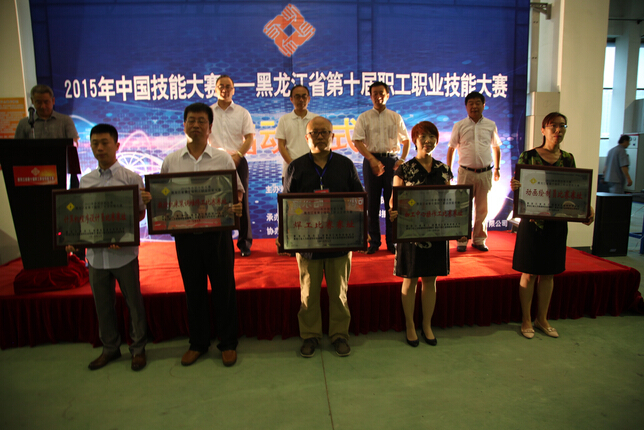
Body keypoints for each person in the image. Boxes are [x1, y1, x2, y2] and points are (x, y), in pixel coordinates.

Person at [161, 102, 243, 367]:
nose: (196, 125)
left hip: (217, 235)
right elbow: (164, 195)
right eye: (191, 120)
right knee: (193, 289)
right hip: (186, 236)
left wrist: (236, 206)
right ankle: (198, 343)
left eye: (201, 121)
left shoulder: (223, 158)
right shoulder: (171, 161)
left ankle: (227, 342)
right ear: (184, 124)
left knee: (224, 288)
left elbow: (237, 191)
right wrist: (155, 202)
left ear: (210, 127)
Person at [65, 123, 149, 371]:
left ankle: (138, 349)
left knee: (134, 304)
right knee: (103, 305)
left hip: (124, 254)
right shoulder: (86, 181)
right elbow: (80, 216)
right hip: (96, 255)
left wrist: (121, 232)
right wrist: (73, 238)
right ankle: (110, 348)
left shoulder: (131, 178)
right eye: (95, 144)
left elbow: (140, 214)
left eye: (104, 143)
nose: (99, 148)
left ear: (117, 145)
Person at [283, 116, 364, 358]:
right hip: (308, 242)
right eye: (314, 133)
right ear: (306, 138)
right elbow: (287, 205)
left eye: (324, 132)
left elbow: (358, 199)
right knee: (308, 294)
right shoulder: (296, 167)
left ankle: (339, 335)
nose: (319, 136)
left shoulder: (345, 165)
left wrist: (359, 232)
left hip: (339, 240)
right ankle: (310, 335)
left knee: (339, 293)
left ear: (332, 136)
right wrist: (285, 236)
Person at [510, 112, 594, 339]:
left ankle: (542, 318)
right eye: (553, 126)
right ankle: (526, 319)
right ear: (543, 129)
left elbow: (575, 189)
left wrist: (586, 207)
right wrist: (515, 185)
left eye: (562, 126)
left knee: (549, 274)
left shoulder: (568, 159)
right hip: (532, 223)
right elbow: (519, 187)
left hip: (556, 224)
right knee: (528, 272)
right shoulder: (528, 156)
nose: (558, 130)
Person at [389, 121, 451, 347]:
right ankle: (410, 325)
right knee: (410, 279)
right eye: (423, 136)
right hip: (411, 233)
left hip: (436, 232)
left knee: (430, 280)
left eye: (432, 137)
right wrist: (394, 211)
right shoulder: (404, 169)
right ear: (414, 140)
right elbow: (394, 201)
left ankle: (426, 324)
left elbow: (450, 202)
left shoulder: (444, 169)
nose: (427, 141)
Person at [353, 81, 410, 255]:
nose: (378, 97)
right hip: (371, 160)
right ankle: (374, 242)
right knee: (372, 203)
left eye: (381, 93)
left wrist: (402, 159)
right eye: (375, 94)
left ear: (387, 95)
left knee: (392, 203)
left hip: (392, 161)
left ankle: (392, 242)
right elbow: (357, 141)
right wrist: (371, 159)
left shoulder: (395, 117)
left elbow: (406, 140)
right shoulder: (364, 117)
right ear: (371, 96)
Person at [446, 91, 501, 252]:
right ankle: (462, 240)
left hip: (485, 172)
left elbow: (496, 147)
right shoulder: (459, 125)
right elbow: (451, 149)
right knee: (462, 207)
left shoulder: (491, 125)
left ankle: (479, 240)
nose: (474, 106)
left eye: (477, 103)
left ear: (484, 105)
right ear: (466, 106)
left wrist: (497, 169)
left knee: (483, 209)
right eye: (471, 103)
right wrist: (448, 171)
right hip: (466, 172)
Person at [209, 75, 255, 257]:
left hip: (238, 160)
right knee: (216, 201)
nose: (225, 89)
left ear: (233, 90)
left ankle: (244, 243)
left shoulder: (242, 112)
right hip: (214, 162)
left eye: (228, 86)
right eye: (221, 86)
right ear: (215, 89)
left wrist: (238, 155)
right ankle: (221, 241)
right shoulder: (208, 112)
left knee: (241, 201)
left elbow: (249, 138)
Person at [15, 84, 81, 190]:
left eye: (46, 102)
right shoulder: (24, 123)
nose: (43, 106)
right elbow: (16, 149)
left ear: (53, 101)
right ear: (32, 101)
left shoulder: (65, 120)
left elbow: (74, 144)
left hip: (61, 172)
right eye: (38, 102)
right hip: (33, 175)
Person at [276, 84, 318, 182]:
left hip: (313, 170)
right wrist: (293, 165)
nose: (301, 99)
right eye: (297, 97)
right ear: (291, 99)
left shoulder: (316, 119)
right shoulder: (284, 119)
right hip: (290, 170)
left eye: (304, 96)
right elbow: (281, 145)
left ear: (309, 99)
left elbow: (319, 145)